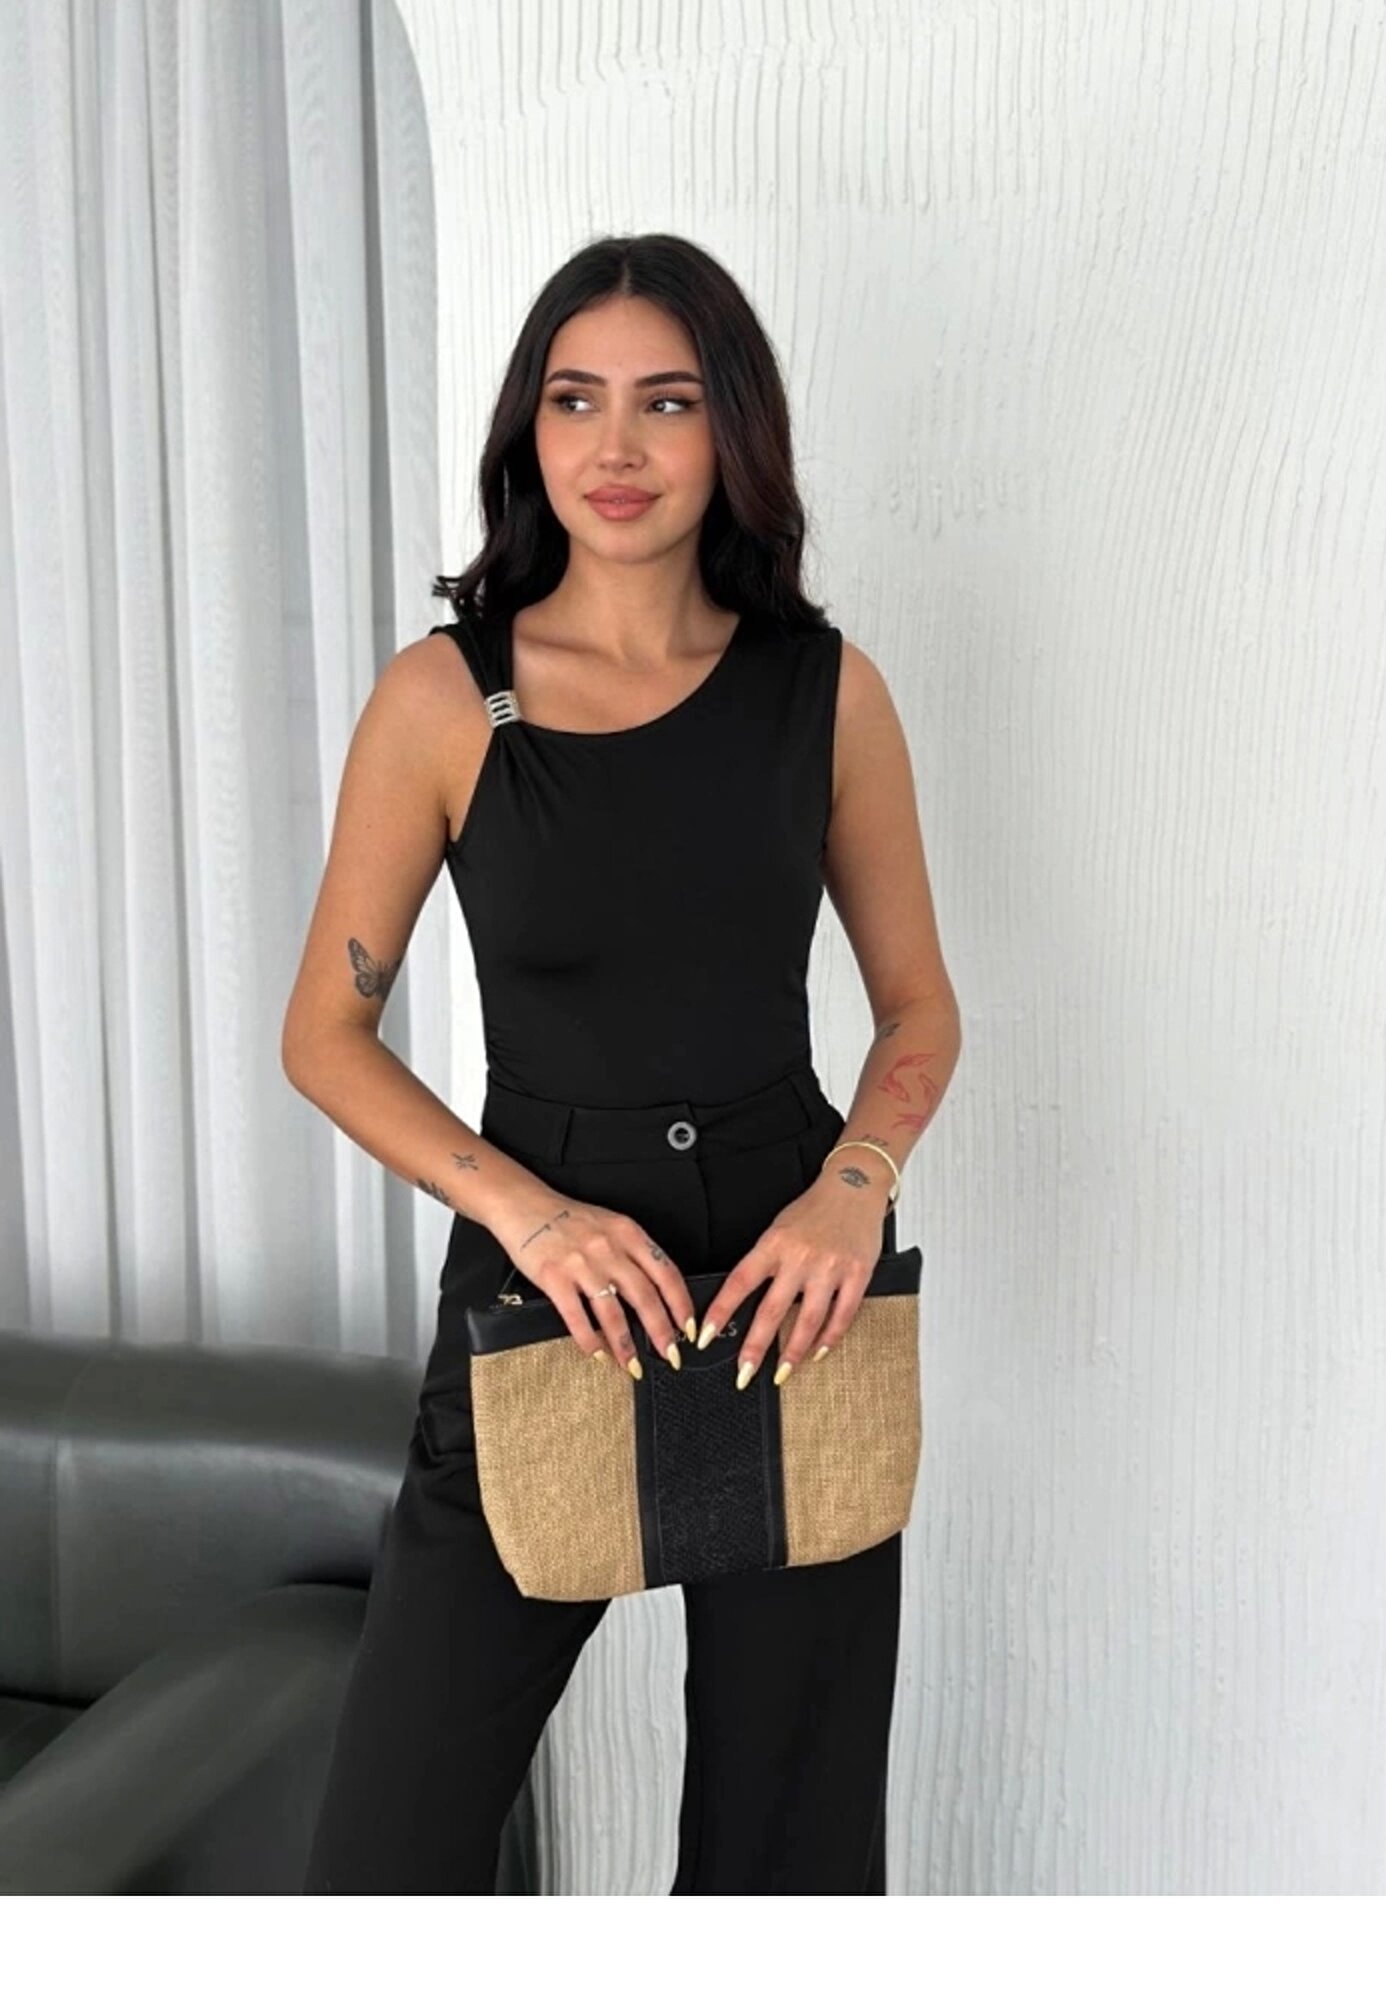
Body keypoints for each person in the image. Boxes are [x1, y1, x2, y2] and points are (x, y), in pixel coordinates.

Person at [280, 232, 962, 1895]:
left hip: (790, 1286)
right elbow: (324, 1035)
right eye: (575, 399)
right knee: (387, 1856)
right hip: (545, 1278)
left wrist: (849, 1195)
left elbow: (917, 1009)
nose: (617, 446)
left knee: (788, 1863)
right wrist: (531, 1215)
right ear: (529, 431)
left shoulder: (825, 694)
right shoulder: (449, 700)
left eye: (667, 401)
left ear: (732, 429)